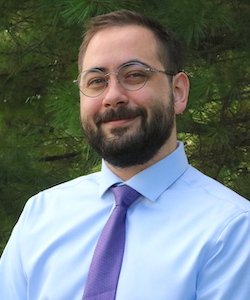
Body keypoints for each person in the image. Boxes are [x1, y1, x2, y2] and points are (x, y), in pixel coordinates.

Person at [0, 10, 249, 300]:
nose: (113, 95)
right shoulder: (41, 215)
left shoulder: (231, 230)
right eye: (96, 81)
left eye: (134, 75)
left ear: (178, 92)